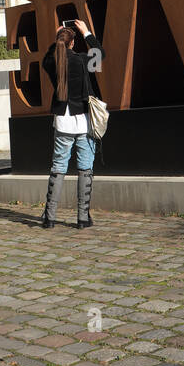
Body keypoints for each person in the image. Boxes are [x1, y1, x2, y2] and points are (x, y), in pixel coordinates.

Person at [39, 18, 103, 230]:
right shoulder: (82, 60)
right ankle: (83, 218)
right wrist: (86, 32)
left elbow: (49, 56)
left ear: (59, 42)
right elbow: (100, 54)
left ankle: (49, 218)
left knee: (58, 167)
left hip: (62, 122)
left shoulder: (50, 62)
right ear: (73, 43)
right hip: (83, 122)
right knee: (85, 167)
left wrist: (58, 37)